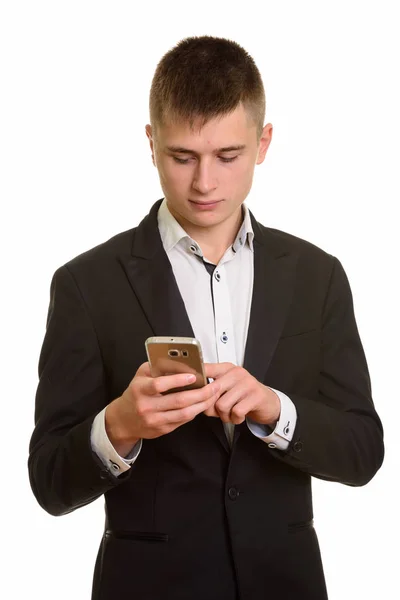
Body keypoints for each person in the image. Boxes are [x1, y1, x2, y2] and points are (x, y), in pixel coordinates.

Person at [28, 35, 384, 600]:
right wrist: (119, 425)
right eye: (182, 156)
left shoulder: (318, 276)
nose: (204, 183)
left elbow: (364, 451)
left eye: (227, 155)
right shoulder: (85, 285)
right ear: (151, 143)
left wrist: (276, 410)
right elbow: (48, 483)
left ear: (263, 142)